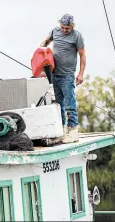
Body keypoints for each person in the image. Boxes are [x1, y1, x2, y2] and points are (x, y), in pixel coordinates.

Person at [40, 14, 86, 143]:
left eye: (68, 28)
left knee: (70, 104)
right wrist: (42, 55)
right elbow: (45, 43)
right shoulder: (55, 31)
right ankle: (61, 132)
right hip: (54, 74)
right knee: (58, 104)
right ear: (60, 24)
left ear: (73, 26)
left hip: (67, 75)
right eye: (63, 27)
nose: (65, 30)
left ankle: (73, 132)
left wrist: (81, 74)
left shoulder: (77, 36)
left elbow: (82, 55)